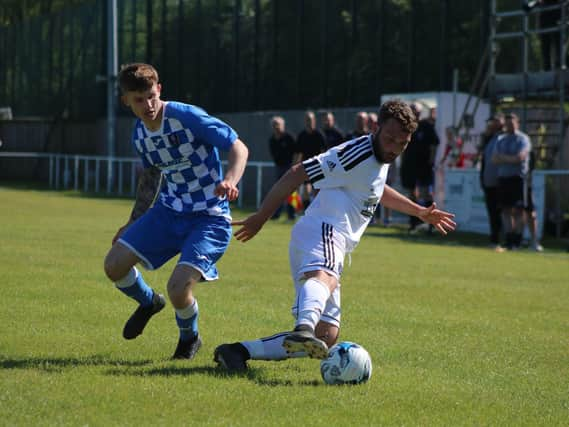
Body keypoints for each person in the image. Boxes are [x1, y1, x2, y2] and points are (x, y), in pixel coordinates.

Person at [213, 99, 456, 372]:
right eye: (390, 139)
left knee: (326, 335)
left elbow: (375, 190)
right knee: (323, 281)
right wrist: (261, 217)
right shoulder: (355, 153)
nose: (394, 149)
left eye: (402, 144)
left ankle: (236, 352)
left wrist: (419, 211)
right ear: (376, 127)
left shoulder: (380, 156)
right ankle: (303, 327)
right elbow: (296, 173)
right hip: (324, 229)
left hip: (331, 238)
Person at [103, 63, 248, 359]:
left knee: (178, 287)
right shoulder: (139, 134)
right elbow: (151, 178)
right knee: (114, 264)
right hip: (169, 211)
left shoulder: (186, 116)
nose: (148, 105)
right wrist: (131, 223)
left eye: (151, 96)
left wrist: (230, 180)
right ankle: (148, 303)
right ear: (126, 101)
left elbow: (238, 147)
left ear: (159, 89)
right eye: (139, 100)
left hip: (209, 217)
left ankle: (189, 338)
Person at [492, 113, 533, 250]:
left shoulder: (523, 139)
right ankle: (509, 239)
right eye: (507, 124)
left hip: (518, 179)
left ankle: (518, 239)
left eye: (511, 123)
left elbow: (520, 158)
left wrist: (504, 158)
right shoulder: (501, 139)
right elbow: (494, 159)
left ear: (517, 123)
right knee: (505, 210)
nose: (509, 126)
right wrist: (510, 159)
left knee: (519, 211)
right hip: (504, 179)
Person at [399, 102, 440, 233]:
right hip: (409, 166)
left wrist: (431, 162)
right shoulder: (406, 127)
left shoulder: (426, 126)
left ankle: (431, 225)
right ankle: (414, 224)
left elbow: (434, 144)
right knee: (411, 195)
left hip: (424, 166)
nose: (414, 113)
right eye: (411, 111)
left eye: (416, 111)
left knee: (426, 194)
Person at [478, 114, 505, 251]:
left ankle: (507, 240)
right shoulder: (488, 138)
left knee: (502, 211)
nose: (492, 124)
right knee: (493, 212)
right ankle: (495, 239)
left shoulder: (504, 137)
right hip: (488, 180)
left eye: (496, 122)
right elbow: (482, 157)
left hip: (501, 181)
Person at [296, 110, 327, 208]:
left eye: (310, 120)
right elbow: (298, 153)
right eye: (307, 120)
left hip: (318, 167)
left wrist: (323, 167)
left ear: (314, 120)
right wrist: (296, 166)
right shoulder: (302, 135)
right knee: (306, 190)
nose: (309, 122)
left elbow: (325, 152)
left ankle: (317, 211)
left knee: (317, 193)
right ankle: (305, 211)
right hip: (306, 167)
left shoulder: (319, 135)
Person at [269, 116, 297, 220]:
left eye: (278, 124)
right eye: (274, 125)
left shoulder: (289, 137)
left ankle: (292, 214)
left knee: (291, 191)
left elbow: (296, 152)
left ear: (283, 125)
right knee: (278, 191)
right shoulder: (272, 139)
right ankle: (276, 214)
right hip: (279, 167)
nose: (276, 127)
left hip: (289, 167)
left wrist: (294, 165)